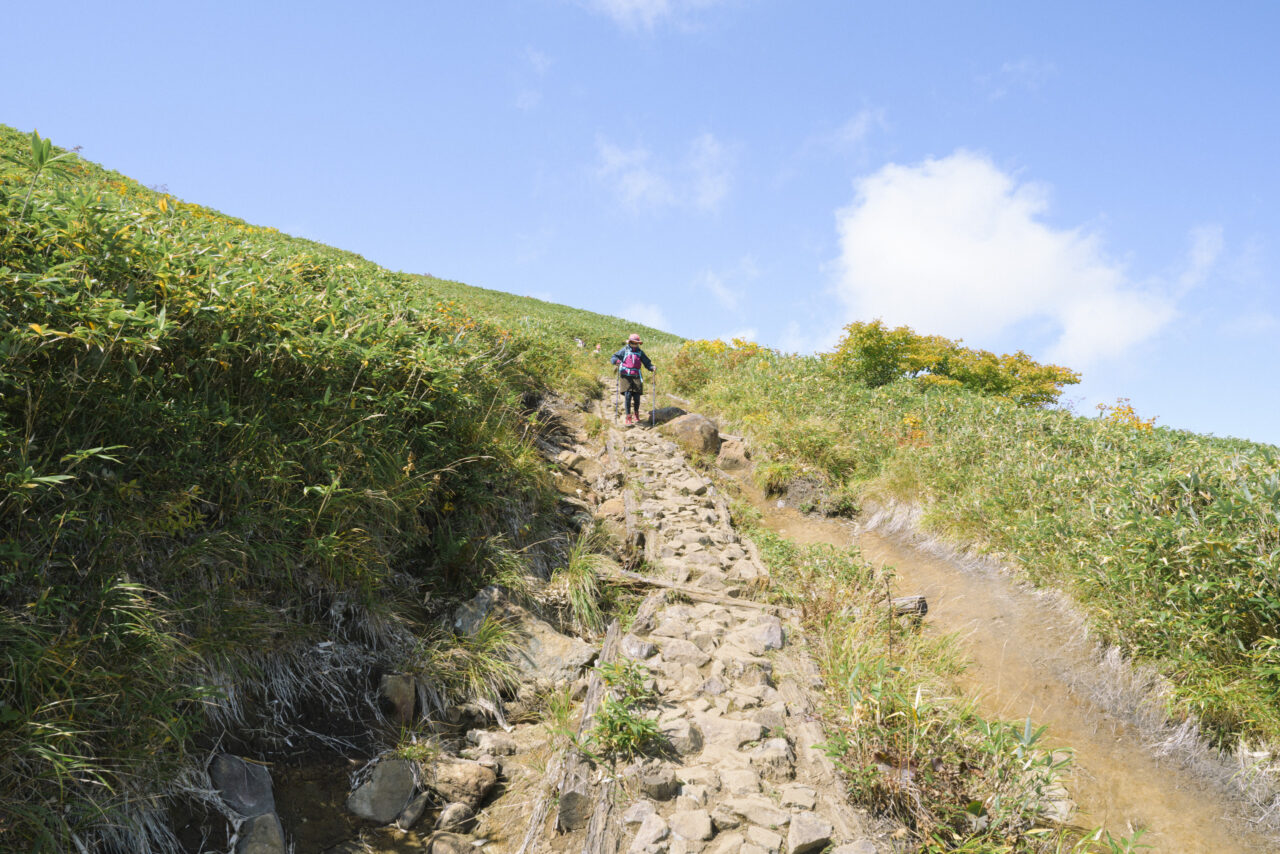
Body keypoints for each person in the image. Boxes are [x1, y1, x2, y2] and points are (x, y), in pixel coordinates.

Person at [611, 333, 655, 425]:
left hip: (636, 375)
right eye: (633, 343)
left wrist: (651, 367)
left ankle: (636, 414)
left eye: (636, 343)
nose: (635, 344)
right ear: (630, 342)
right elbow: (614, 357)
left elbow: (647, 362)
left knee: (637, 396)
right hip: (625, 375)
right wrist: (617, 361)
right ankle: (628, 416)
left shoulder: (640, 352)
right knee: (628, 395)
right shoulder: (624, 350)